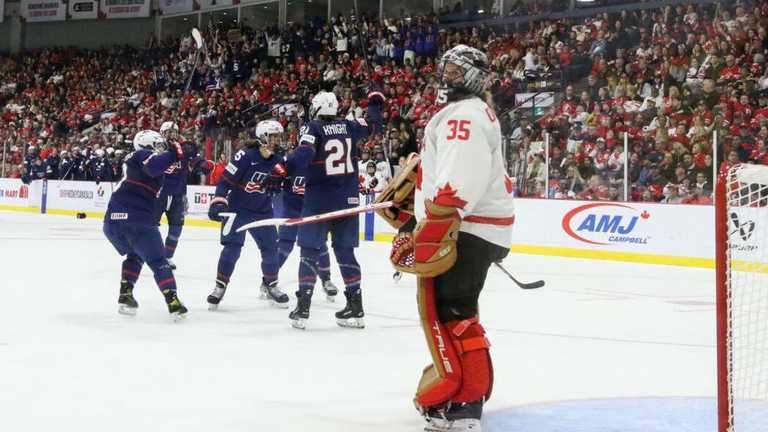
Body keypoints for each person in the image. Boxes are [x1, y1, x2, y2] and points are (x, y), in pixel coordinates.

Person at [381, 45, 515, 432]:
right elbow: (447, 173)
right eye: (447, 70)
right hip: (472, 227)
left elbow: (460, 183)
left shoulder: (465, 116)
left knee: (452, 312)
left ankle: (464, 403)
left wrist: (431, 226)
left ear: (474, 75)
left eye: (458, 71)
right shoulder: (466, 113)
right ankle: (469, 393)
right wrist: (414, 215)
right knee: (458, 311)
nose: (449, 77)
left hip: (467, 229)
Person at [284, 91, 371, 330]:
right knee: (345, 252)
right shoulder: (350, 125)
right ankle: (356, 307)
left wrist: (283, 167)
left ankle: (303, 307)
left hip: (319, 201)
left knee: (309, 251)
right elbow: (372, 125)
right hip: (348, 200)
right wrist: (374, 104)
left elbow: (305, 153)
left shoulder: (313, 127)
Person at [102, 130, 193, 320]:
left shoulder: (134, 160)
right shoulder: (142, 155)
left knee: (134, 254)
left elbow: (164, 168)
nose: (160, 148)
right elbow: (155, 165)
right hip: (136, 220)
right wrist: (175, 151)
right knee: (159, 261)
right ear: (148, 145)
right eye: (158, 145)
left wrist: (184, 153)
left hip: (112, 222)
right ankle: (173, 300)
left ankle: (125, 294)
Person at [206, 120, 289, 310]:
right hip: (238, 209)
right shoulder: (245, 155)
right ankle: (220, 287)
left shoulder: (279, 160)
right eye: (273, 136)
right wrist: (218, 200)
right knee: (231, 249)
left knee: (270, 249)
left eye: (278, 136)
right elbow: (225, 181)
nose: (277, 140)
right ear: (262, 137)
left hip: (263, 211)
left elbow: (287, 185)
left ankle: (271, 285)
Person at [275, 121, 339, 302]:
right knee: (285, 244)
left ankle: (326, 280)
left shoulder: (321, 162)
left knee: (320, 245)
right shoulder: (291, 160)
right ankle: (269, 280)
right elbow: (276, 171)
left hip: (311, 210)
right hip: (292, 209)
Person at [153, 121, 214, 269]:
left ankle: (167, 257)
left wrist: (202, 165)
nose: (172, 134)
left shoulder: (185, 148)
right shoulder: (154, 149)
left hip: (178, 194)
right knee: (149, 226)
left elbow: (195, 160)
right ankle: (147, 255)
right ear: (162, 134)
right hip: (157, 194)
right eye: (169, 131)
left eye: (174, 131)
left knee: (176, 228)